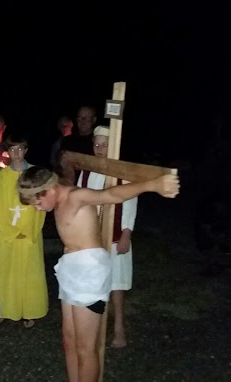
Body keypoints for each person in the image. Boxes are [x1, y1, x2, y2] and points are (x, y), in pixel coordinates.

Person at [17, 166, 179, 382]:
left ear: (51, 189)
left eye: (38, 202)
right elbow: (67, 163)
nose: (37, 209)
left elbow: (111, 195)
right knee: (68, 340)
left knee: (86, 348)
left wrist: (152, 185)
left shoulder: (76, 196)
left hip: (88, 272)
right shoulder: (57, 197)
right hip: (69, 269)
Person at [75, 126, 138, 348]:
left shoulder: (123, 171)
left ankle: (119, 328)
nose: (100, 149)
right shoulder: (86, 170)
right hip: (91, 237)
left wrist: (126, 233)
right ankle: (95, 328)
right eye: (97, 144)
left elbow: (130, 203)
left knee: (117, 284)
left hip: (114, 236)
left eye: (105, 145)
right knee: (94, 283)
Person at [0, 136, 48, 328]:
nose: (16, 154)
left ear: (26, 150)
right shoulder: (3, 176)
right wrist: (10, 230)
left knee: (28, 273)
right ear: (8, 152)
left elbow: (41, 203)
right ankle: (4, 309)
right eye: (13, 150)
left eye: (20, 149)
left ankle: (28, 310)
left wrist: (28, 230)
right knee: (6, 272)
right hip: (8, 233)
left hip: (29, 233)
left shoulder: (35, 174)